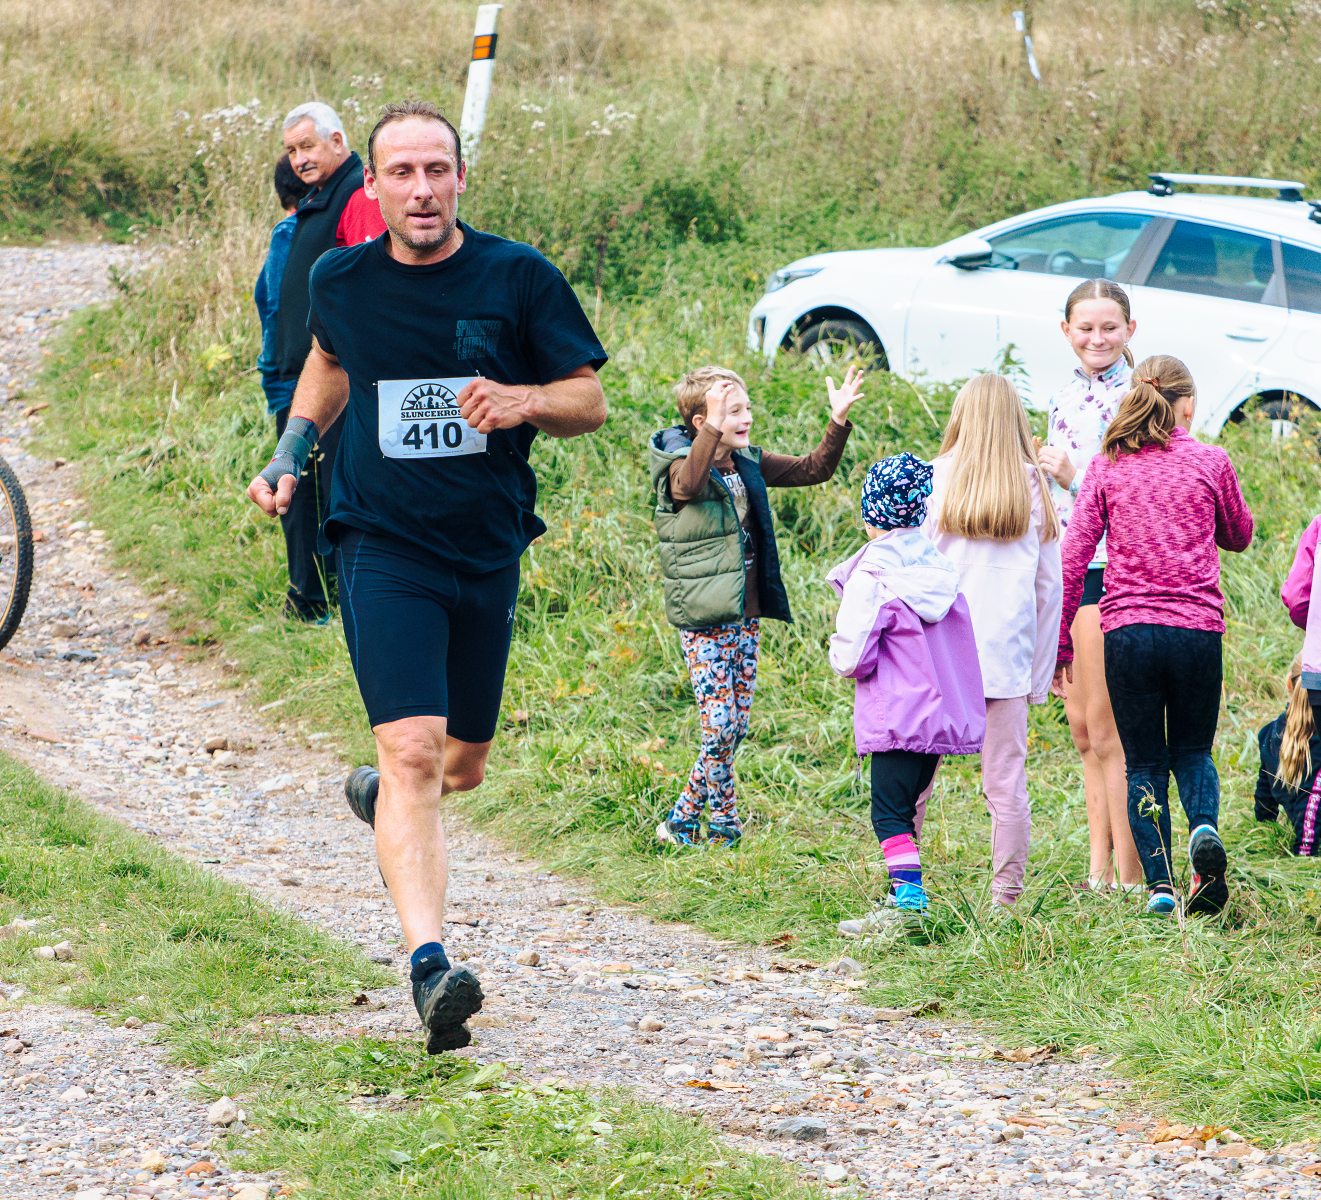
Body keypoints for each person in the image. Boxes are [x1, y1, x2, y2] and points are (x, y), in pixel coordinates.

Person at [245, 100, 608, 1053]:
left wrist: (524, 400)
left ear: (459, 179)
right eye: (401, 172)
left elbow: (589, 400)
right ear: (371, 184)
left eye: (436, 170)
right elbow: (329, 361)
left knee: (458, 767)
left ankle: (385, 804)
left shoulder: (517, 276)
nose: (420, 189)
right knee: (412, 752)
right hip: (379, 539)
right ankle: (430, 970)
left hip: (485, 544)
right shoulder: (340, 278)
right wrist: (290, 450)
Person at [1054, 355, 1253, 916]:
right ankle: (1204, 830)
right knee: (1192, 751)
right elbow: (1239, 535)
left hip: (1128, 633)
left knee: (1143, 763)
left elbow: (1073, 559)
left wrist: (1063, 643)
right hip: (1196, 632)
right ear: (1186, 405)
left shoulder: (1107, 466)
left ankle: (1161, 887)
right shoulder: (1210, 461)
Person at [649, 365, 864, 848]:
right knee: (719, 727)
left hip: (745, 615)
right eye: (733, 411)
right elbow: (689, 486)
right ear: (703, 420)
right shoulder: (676, 465)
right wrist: (712, 426)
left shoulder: (747, 462)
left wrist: (837, 420)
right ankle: (716, 824)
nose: (746, 418)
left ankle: (689, 823)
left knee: (735, 727)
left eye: (746, 408)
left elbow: (814, 469)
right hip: (704, 617)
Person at [828, 453, 986, 939]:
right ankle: (903, 899)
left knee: (889, 814)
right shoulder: (939, 567)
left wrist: (839, 654)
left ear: (871, 513)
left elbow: (851, 654)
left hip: (897, 715)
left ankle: (910, 907)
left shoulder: (874, 573)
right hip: (935, 717)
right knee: (905, 807)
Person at [921, 375, 1061, 907]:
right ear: (1016, 421)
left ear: (961, 416)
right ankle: (1006, 899)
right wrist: (1039, 676)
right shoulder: (1034, 486)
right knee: (1006, 784)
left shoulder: (932, 479)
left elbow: (911, 572)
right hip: (1006, 657)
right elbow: (1049, 589)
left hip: (939, 657)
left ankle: (903, 890)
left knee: (915, 779)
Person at [1036, 279, 1142, 892]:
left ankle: (1132, 874)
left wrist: (1074, 476)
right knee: (1081, 732)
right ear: (1066, 331)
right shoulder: (1061, 395)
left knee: (1108, 731)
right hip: (1064, 566)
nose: (1097, 338)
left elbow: (1141, 496)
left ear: (1130, 330)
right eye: (1085, 328)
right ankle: (1097, 870)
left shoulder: (1140, 399)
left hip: (1113, 569)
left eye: (1109, 327)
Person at [270, 101, 387, 622]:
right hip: (305, 373)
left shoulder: (357, 194)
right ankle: (312, 596)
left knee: (325, 489)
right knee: (300, 486)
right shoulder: (323, 196)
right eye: (291, 150)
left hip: (337, 376)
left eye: (307, 146)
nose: (299, 158)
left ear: (338, 141)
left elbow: (370, 278)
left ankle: (325, 601)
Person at [254, 156, 312, 451]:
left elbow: (275, 308)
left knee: (296, 470)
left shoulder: (288, 231)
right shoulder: (335, 224)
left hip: (292, 379)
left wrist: (270, 371)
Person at [1254, 656, 1321, 857]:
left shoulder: (1269, 735)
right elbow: (1312, 800)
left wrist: (1265, 826)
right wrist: (1304, 851)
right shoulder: (1317, 745)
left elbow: (1264, 793)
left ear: (1288, 684)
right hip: (1308, 841)